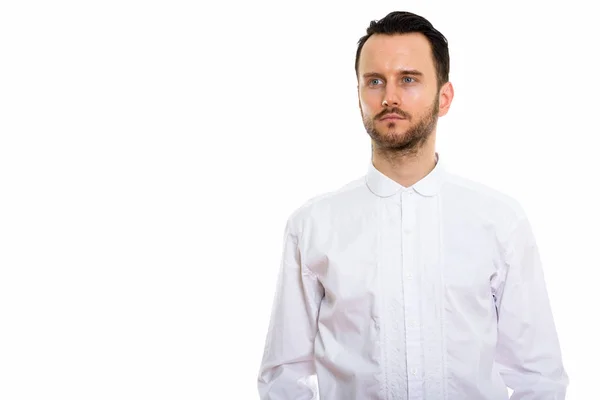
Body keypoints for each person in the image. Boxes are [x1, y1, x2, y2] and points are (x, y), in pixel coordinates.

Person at [257, 10, 568, 400]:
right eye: (375, 81)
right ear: (358, 96)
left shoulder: (500, 222)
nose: (389, 96)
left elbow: (538, 377)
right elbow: (284, 379)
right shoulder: (313, 227)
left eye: (408, 79)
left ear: (445, 97)